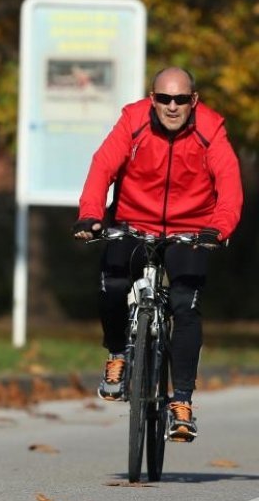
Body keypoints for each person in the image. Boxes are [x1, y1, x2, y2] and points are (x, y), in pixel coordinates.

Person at [73, 67, 243, 442]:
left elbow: (229, 183)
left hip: (191, 228)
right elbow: (103, 166)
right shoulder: (132, 122)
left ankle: (181, 403)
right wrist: (90, 213)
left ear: (193, 101)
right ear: (152, 99)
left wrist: (219, 228)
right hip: (133, 220)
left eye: (180, 99)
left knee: (185, 306)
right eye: (164, 98)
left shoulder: (210, 130)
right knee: (114, 284)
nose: (171, 106)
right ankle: (118, 353)